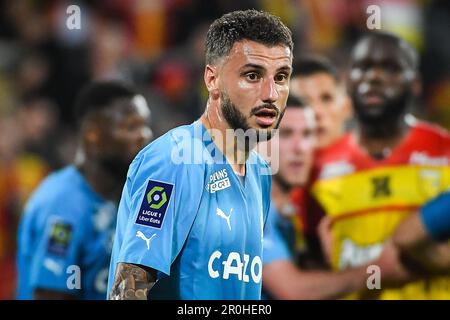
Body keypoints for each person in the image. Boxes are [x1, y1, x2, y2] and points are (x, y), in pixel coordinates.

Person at [107, 9, 293, 300]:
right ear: (212, 80)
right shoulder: (175, 159)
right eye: (252, 75)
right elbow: (125, 292)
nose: (270, 93)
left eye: (281, 77)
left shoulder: (259, 171)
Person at [310, 31, 450, 299]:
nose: (374, 78)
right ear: (348, 83)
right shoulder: (316, 168)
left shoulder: (446, 153)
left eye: (390, 68)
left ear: (416, 83)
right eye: (363, 68)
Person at [16, 81, 153, 299]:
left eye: (145, 125)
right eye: (130, 126)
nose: (144, 135)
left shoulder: (125, 196)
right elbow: (49, 294)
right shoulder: (62, 204)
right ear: (93, 133)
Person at [262, 95, 386, 300]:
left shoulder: (291, 215)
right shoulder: (250, 208)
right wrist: (377, 271)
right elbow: (293, 290)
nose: (299, 148)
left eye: (308, 134)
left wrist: (333, 261)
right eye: (285, 134)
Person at [289, 56, 352, 268]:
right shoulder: (270, 182)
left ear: (347, 107)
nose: (315, 111)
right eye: (303, 102)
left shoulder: (374, 170)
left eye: (326, 98)